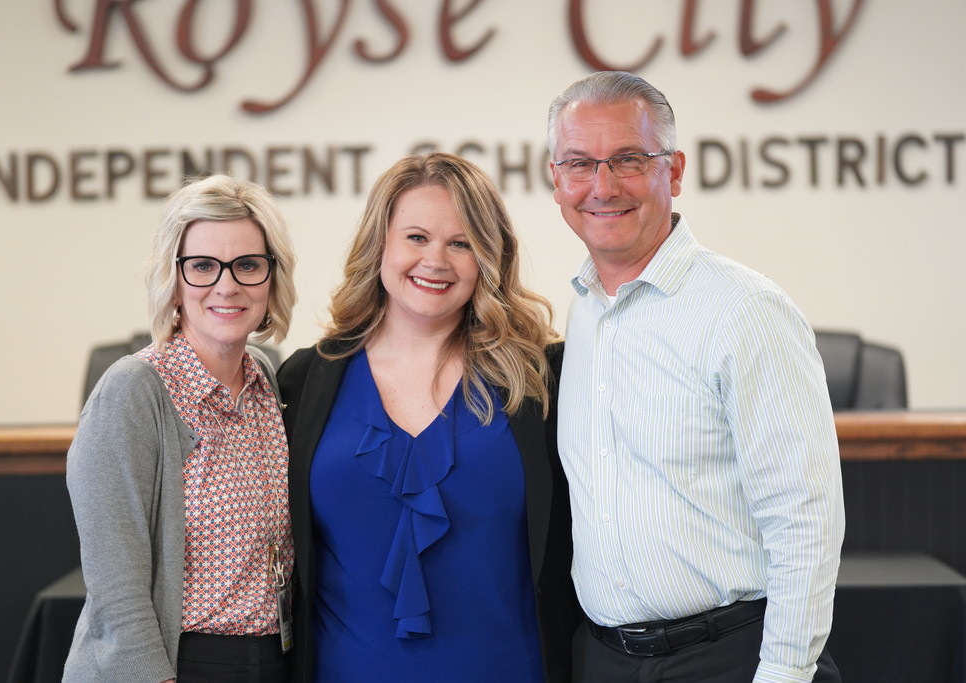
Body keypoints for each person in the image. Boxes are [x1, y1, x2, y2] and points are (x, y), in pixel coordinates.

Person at [547, 71, 845, 683]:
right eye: (579, 163)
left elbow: (805, 518)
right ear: (557, 179)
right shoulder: (581, 311)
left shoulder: (745, 310)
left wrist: (785, 673)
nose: (602, 186)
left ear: (675, 171)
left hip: (728, 658)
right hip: (602, 659)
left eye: (628, 159)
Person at [277, 152, 577, 682]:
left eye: (461, 243)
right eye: (416, 237)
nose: (435, 260)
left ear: (487, 257)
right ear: (380, 244)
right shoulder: (304, 380)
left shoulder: (540, 378)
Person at [63, 174, 298, 682]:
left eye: (248, 265)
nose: (227, 285)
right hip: (174, 664)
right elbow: (116, 588)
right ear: (173, 279)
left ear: (272, 277)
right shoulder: (133, 391)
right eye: (203, 266)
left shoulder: (267, 379)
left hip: (272, 659)